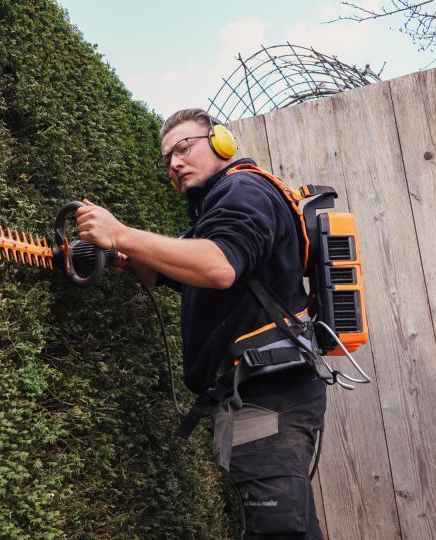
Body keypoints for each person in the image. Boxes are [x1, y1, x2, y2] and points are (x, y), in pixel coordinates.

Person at [76, 108, 327, 539]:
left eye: (184, 148)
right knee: (290, 526)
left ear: (221, 143)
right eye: (167, 159)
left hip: (267, 397)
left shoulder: (243, 190)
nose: (174, 163)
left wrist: (122, 234)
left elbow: (219, 266)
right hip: (261, 393)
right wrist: (126, 256)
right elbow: (180, 270)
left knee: (277, 530)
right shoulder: (215, 213)